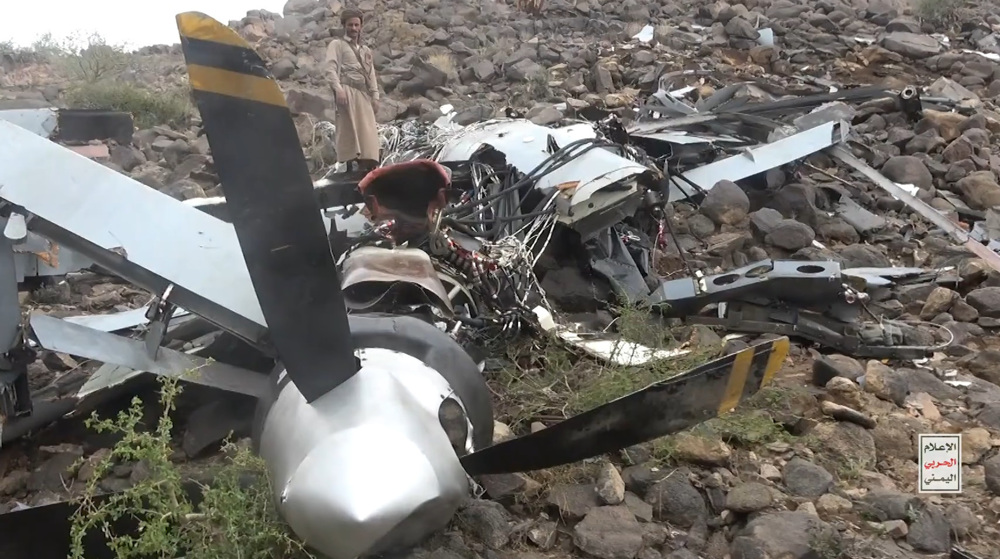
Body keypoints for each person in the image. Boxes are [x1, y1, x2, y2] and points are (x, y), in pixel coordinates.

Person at [325, 9, 381, 172]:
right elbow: (330, 69)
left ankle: (368, 167)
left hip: (363, 95)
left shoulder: (365, 50)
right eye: (350, 24)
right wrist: (338, 89)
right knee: (349, 132)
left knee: (368, 136)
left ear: (361, 26)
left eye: (357, 25)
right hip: (346, 92)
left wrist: (375, 96)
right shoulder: (337, 45)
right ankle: (349, 168)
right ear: (344, 25)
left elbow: (371, 75)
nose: (354, 28)